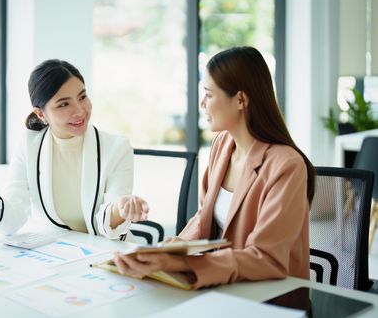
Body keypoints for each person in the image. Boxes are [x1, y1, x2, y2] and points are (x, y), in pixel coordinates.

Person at [113, 46, 316, 288]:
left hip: (271, 294)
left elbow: (267, 258)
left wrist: (181, 264)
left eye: (208, 94)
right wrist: (169, 250)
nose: (202, 103)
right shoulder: (223, 144)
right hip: (227, 285)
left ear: (240, 100)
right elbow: (204, 217)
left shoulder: (286, 166)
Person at [0, 59, 149, 239]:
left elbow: (105, 224)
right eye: (64, 104)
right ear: (41, 113)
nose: (80, 110)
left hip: (106, 257)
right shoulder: (29, 145)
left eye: (82, 97)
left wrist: (121, 209)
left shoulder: (117, 148)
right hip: (56, 257)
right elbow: (12, 217)